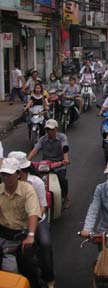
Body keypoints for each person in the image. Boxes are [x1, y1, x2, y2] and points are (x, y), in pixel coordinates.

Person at [8, 152, 55, 288]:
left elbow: (42, 206)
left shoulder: (36, 182)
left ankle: (49, 277)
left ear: (20, 172)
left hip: (37, 220)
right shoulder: (6, 185)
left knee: (45, 243)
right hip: (15, 223)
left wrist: (31, 225)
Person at [0, 157, 41, 287]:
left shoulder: (27, 189)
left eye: (9, 174)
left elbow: (33, 212)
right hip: (3, 233)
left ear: (18, 174)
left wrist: (30, 236)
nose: (6, 178)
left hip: (23, 234)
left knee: (28, 265)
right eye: (3, 174)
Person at [27, 119, 71, 208]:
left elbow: (64, 148)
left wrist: (65, 160)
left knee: (63, 180)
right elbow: (35, 151)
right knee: (34, 179)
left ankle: (66, 198)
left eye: (51, 129)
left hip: (59, 165)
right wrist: (27, 160)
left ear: (56, 129)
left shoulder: (62, 137)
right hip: (45, 166)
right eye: (47, 129)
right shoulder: (43, 139)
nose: (49, 131)